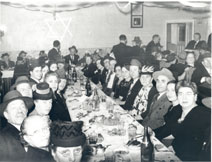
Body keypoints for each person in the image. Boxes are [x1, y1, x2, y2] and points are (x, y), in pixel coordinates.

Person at [169, 81, 210, 161]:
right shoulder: (180, 111)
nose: (184, 98)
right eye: (181, 94)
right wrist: (173, 146)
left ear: (195, 97)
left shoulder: (203, 114)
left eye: (188, 94)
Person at [0, 90, 34, 161]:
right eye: (14, 108)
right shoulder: (3, 138)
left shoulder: (34, 131)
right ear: (6, 115)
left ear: (26, 110)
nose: (19, 111)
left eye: (22, 106)